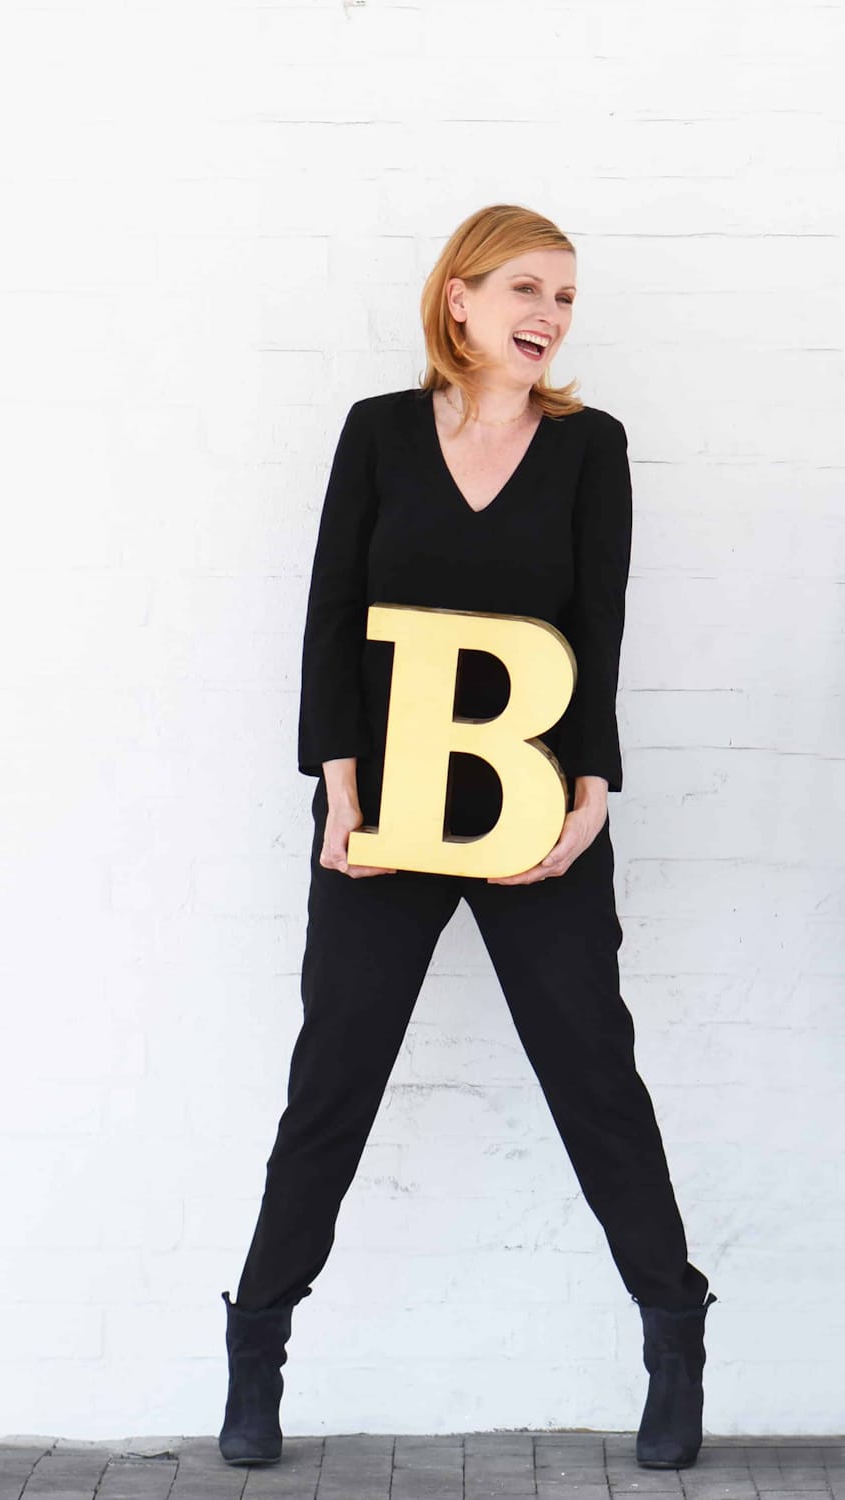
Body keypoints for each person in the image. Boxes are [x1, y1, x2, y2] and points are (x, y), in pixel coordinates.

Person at [217, 205, 718, 1470]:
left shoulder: (589, 447)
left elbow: (595, 627)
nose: (549, 317)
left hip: (534, 807)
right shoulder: (379, 433)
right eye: (527, 291)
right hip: (387, 804)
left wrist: (595, 780)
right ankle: (258, 1350)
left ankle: (674, 1333)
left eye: (565, 299)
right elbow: (334, 613)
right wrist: (335, 784)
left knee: (594, 1075)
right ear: (459, 299)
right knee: (334, 1079)